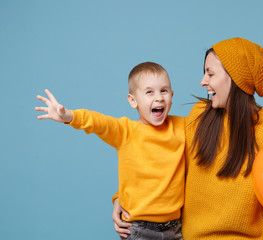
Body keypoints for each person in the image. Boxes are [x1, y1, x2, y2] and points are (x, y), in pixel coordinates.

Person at [112, 38, 263, 239]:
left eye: (210, 73)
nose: (203, 81)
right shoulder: (199, 115)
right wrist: (122, 198)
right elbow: (161, 159)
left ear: (235, 77)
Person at [35, 62, 185, 240]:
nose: (159, 97)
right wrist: (69, 116)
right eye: (149, 92)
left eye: (164, 91)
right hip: (138, 228)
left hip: (175, 228)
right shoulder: (125, 131)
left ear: (172, 95)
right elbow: (99, 122)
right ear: (133, 100)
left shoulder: (181, 127)